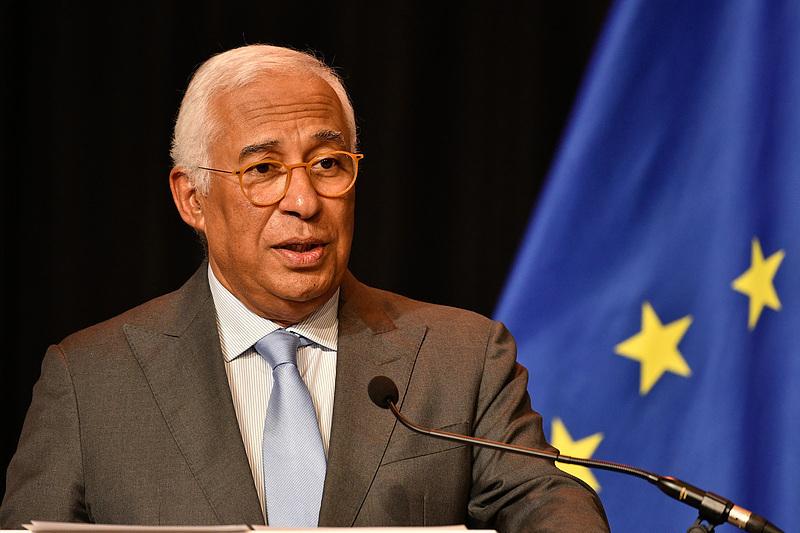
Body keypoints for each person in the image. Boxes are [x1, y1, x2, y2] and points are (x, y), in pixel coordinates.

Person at [0, 44, 609, 531]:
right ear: (192, 198)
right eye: (263, 170)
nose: (304, 201)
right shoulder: (89, 381)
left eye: (328, 164)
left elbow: (546, 500)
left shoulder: (461, 357)